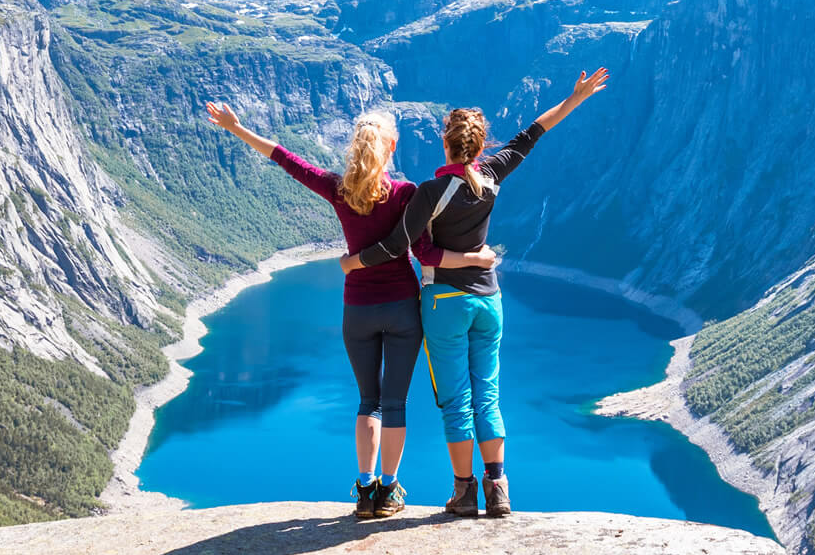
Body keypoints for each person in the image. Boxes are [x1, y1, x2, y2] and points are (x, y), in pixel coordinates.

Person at [341, 67, 610, 519]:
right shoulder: (490, 176)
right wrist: (575, 98)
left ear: (444, 142)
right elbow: (531, 134)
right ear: (481, 146)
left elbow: (404, 248)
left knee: (455, 400)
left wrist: (354, 262)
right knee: (488, 395)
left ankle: (464, 492)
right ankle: (499, 488)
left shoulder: (428, 192)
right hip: (490, 301)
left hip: (445, 303)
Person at [203, 102, 494, 519]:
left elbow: (287, 160)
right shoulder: (407, 193)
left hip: (357, 308)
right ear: (392, 146)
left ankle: (363, 487)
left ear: (356, 148)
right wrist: (473, 258)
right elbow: (418, 248)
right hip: (402, 309)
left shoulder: (338, 189)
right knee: (395, 404)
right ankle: (390, 491)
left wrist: (237, 129)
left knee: (367, 402)